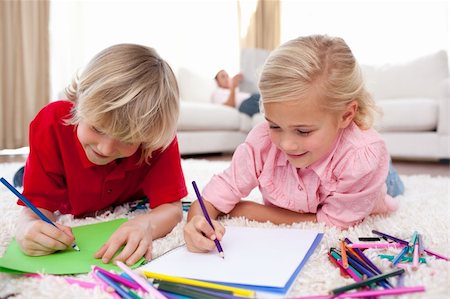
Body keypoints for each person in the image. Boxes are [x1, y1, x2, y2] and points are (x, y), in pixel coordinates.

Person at [184, 34, 404, 253]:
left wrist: (248, 210)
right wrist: (197, 221)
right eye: (275, 126)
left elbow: (331, 224)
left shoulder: (361, 159)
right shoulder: (262, 142)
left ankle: (389, 169)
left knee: (391, 182)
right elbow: (214, 196)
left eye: (303, 131)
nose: (287, 144)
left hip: (376, 181)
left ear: (346, 116)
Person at [14, 44, 188, 266]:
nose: (105, 150)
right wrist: (26, 226)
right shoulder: (51, 124)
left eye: (126, 140)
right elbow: (35, 208)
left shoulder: (157, 138)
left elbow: (172, 208)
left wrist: (147, 224)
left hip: (121, 196)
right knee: (22, 179)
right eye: (97, 128)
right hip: (62, 186)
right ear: (79, 101)